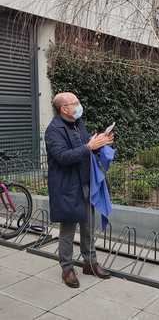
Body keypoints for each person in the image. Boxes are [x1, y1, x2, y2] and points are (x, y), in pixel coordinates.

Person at [45, 92, 114, 288]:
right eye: (74, 103)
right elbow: (62, 157)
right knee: (68, 230)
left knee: (89, 226)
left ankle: (89, 263)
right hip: (67, 186)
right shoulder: (53, 130)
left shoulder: (78, 123)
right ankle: (67, 269)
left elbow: (87, 148)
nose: (79, 105)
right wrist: (89, 146)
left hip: (86, 183)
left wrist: (101, 143)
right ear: (63, 109)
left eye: (77, 101)